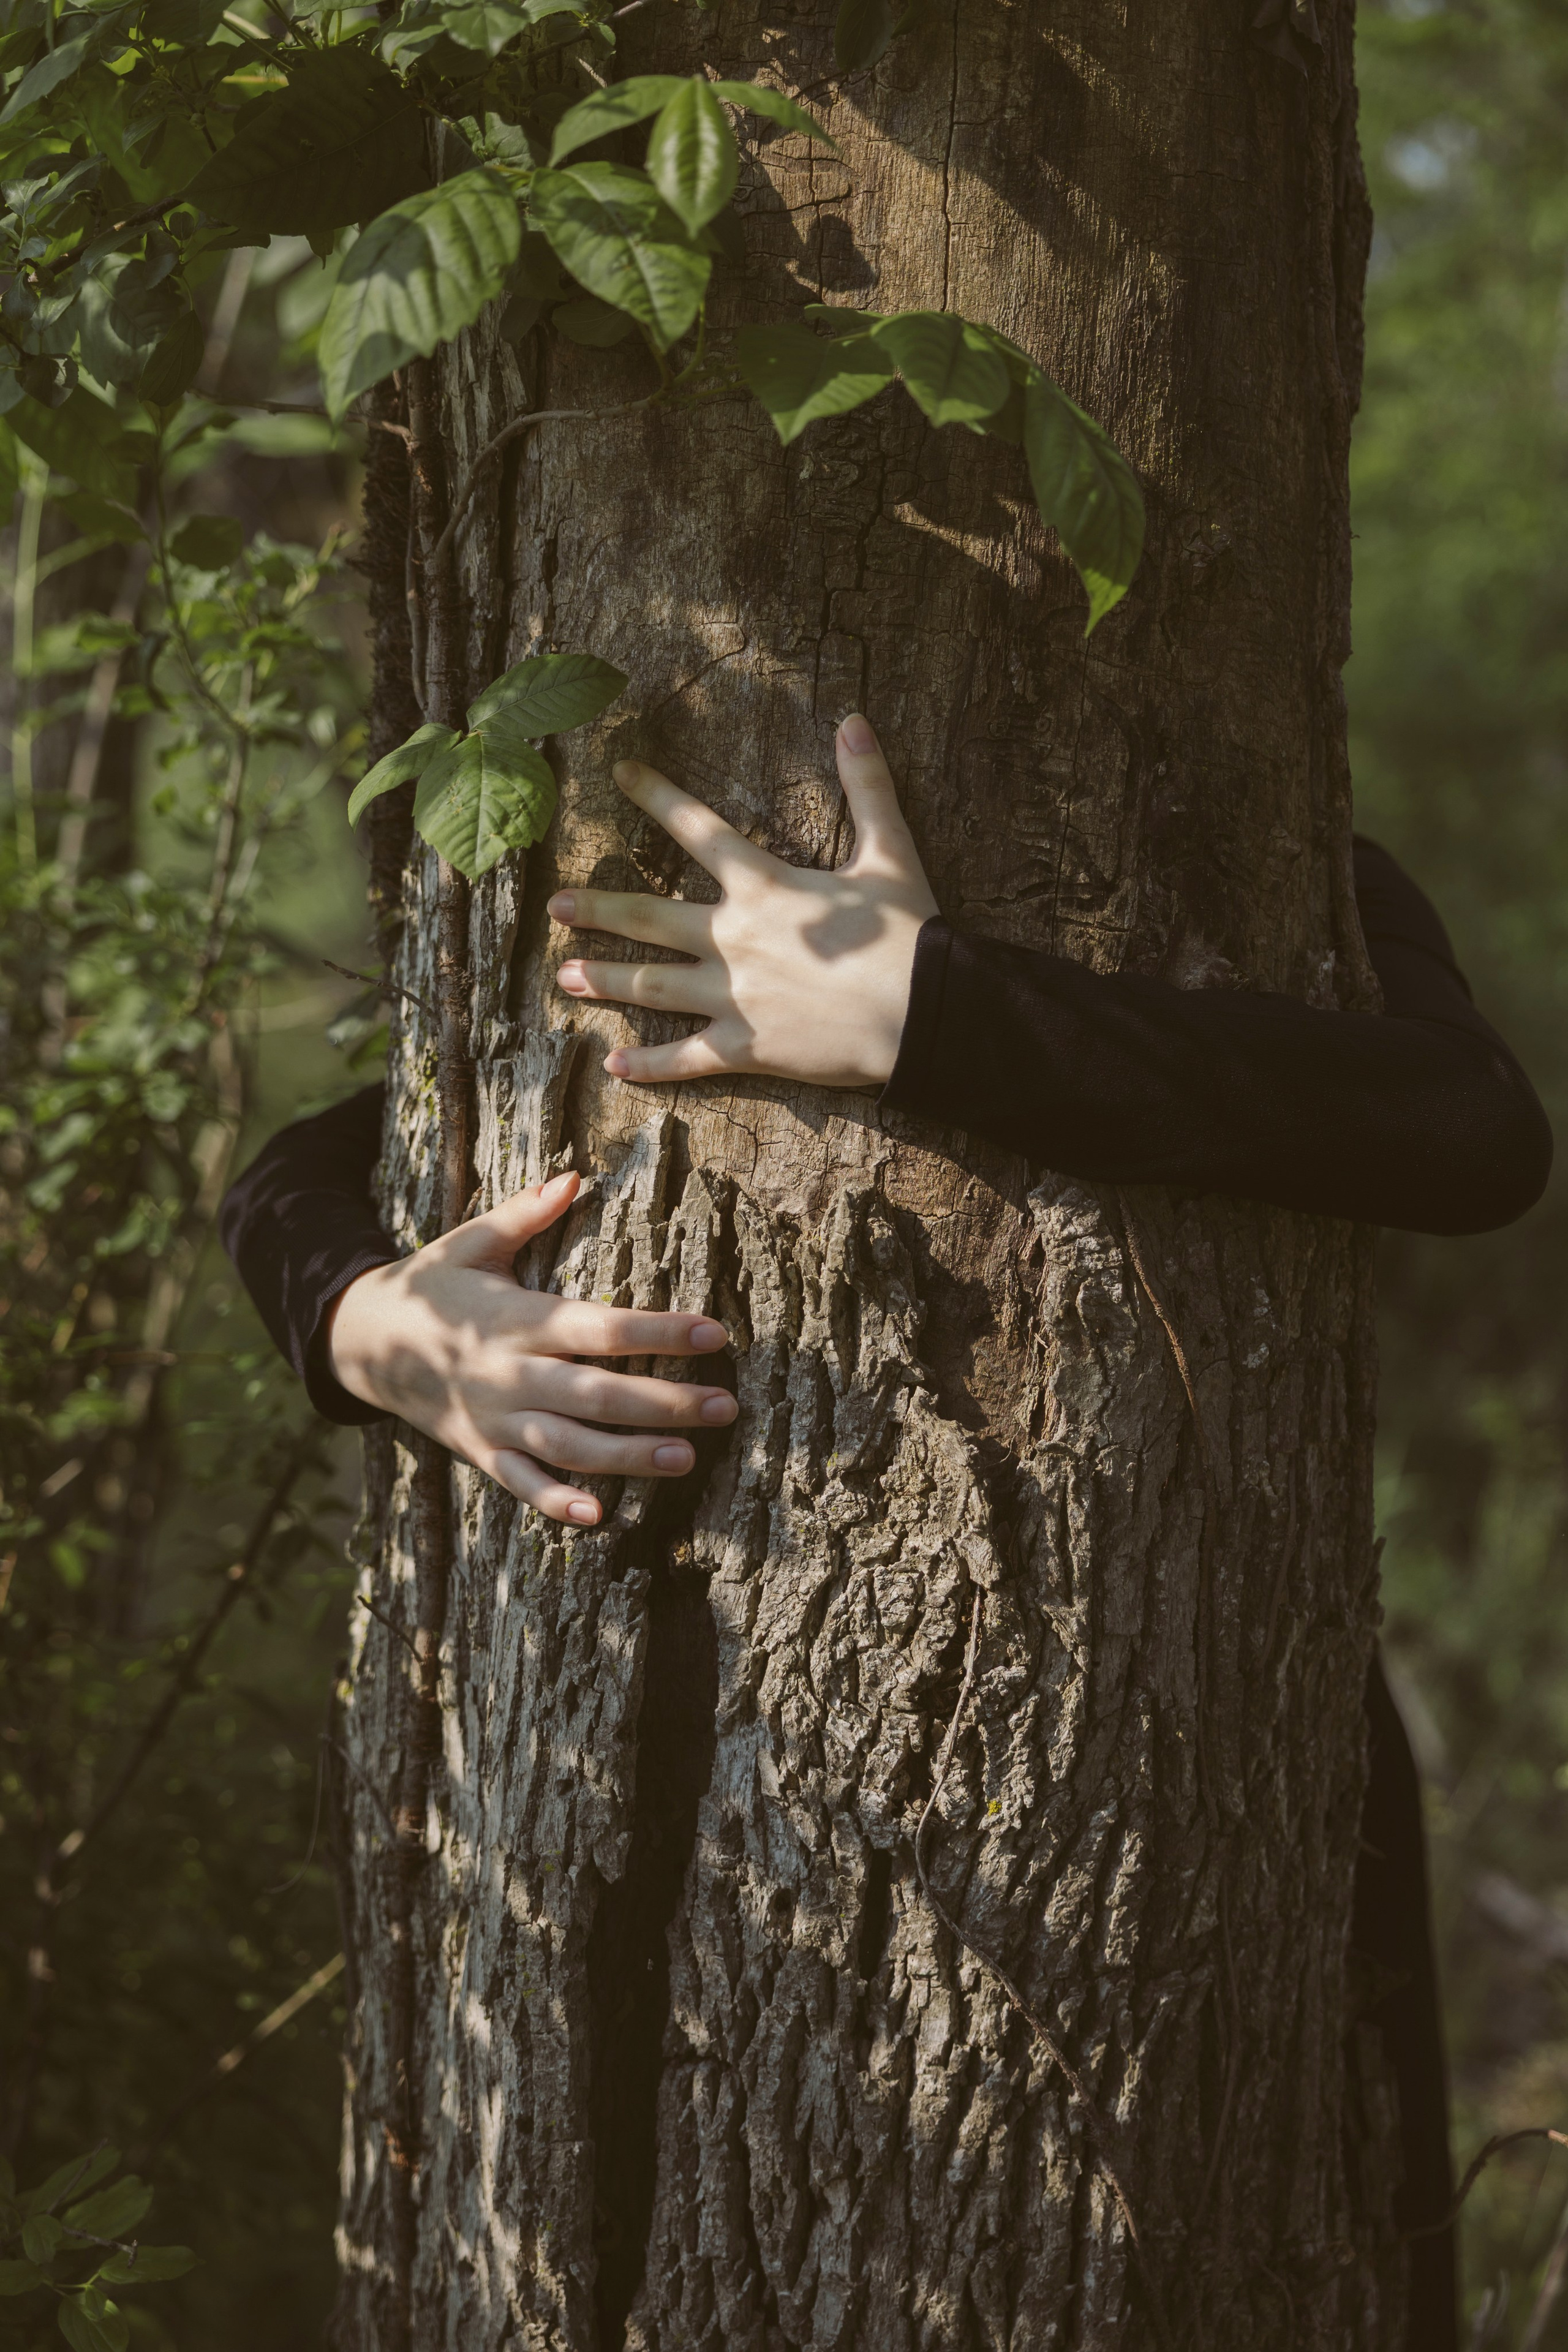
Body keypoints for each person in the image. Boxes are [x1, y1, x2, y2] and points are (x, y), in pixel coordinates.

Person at [223, 713, 1551, 2344]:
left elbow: (1468, 1127)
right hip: (642, 1778)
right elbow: (300, 1165)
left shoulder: (1278, 867)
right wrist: (371, 1326)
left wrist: (930, 1012)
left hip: (1219, 1752)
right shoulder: (614, 959)